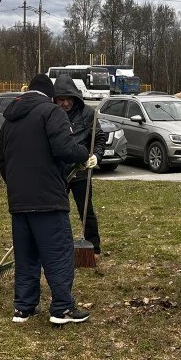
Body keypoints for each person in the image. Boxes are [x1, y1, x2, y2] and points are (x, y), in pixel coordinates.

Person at [0, 73, 95, 326]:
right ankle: (62, 308)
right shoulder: (51, 113)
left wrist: (19, 189)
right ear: (49, 95)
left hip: (19, 201)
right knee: (59, 253)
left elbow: (3, 162)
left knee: (26, 255)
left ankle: (24, 308)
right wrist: (84, 154)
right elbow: (65, 149)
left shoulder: (9, 120)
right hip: (48, 200)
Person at [53, 73, 107, 260]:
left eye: (68, 99)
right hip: (59, 172)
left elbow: (99, 138)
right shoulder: (52, 114)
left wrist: (95, 156)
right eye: (61, 99)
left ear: (74, 97)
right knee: (57, 210)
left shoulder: (88, 114)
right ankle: (59, 245)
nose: (65, 103)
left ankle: (94, 247)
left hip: (81, 171)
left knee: (86, 209)